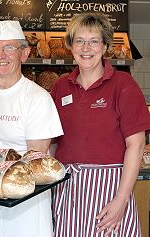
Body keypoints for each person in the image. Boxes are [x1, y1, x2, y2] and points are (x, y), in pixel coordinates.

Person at [50, 13, 150, 237]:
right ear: (71, 46)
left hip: (111, 190)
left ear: (105, 46)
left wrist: (122, 199)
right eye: (79, 41)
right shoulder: (60, 87)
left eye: (94, 41)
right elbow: (54, 144)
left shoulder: (123, 85)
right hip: (67, 188)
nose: (86, 48)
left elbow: (136, 144)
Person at [0, 20, 64, 237]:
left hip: (24, 208)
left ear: (24, 53)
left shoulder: (37, 98)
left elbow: (36, 166)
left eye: (9, 47)